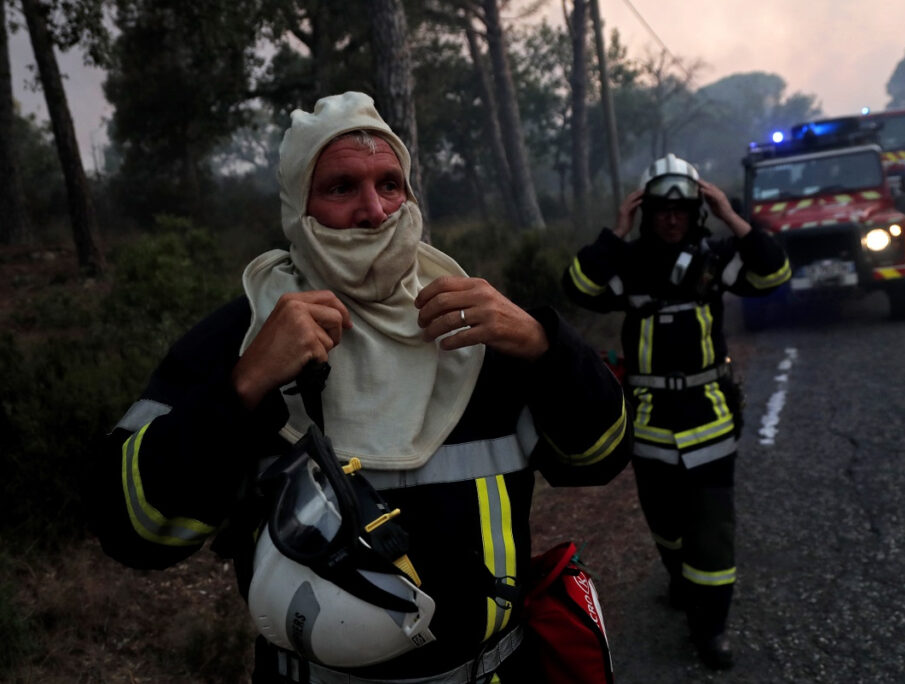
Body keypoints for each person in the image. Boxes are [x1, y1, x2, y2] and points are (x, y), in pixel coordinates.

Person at [89, 92, 631, 684]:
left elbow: (598, 459)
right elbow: (132, 532)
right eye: (342, 187)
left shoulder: (477, 320)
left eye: (390, 184)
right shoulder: (243, 336)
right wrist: (242, 386)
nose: (375, 211)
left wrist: (547, 349)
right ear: (300, 206)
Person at [562, 153, 791, 670]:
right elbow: (578, 287)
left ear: (696, 212)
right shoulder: (626, 260)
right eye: (661, 210)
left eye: (682, 210)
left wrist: (733, 217)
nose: (671, 218)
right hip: (648, 421)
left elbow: (773, 272)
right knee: (664, 521)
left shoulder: (715, 257)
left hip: (709, 416)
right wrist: (614, 233)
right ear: (646, 212)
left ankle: (710, 629)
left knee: (711, 528)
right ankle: (676, 573)